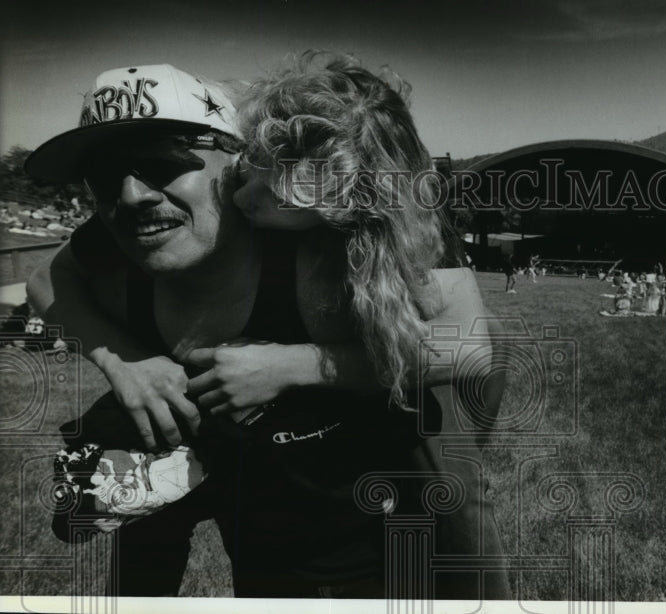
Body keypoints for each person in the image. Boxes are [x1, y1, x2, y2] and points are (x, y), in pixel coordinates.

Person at [27, 57, 508, 599]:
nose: (132, 195)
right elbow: (48, 278)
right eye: (104, 177)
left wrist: (291, 364)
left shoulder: (329, 226)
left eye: (162, 163)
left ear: (236, 159)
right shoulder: (122, 221)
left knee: (448, 504)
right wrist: (122, 359)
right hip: (228, 455)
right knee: (152, 558)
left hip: (362, 460)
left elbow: (470, 347)